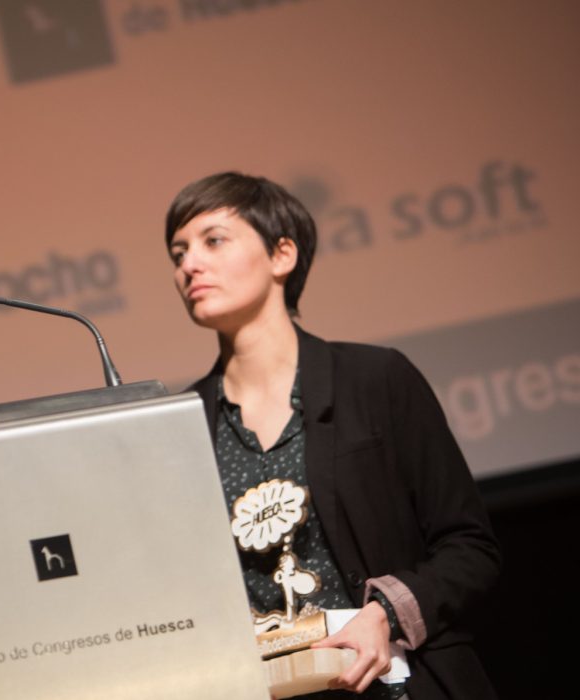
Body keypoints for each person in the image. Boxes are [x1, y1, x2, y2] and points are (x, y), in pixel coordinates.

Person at [163, 172, 500, 699]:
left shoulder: (375, 379)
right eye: (178, 253)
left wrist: (384, 614)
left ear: (282, 255)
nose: (190, 265)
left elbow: (470, 548)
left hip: (397, 686)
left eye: (214, 241)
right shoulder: (183, 424)